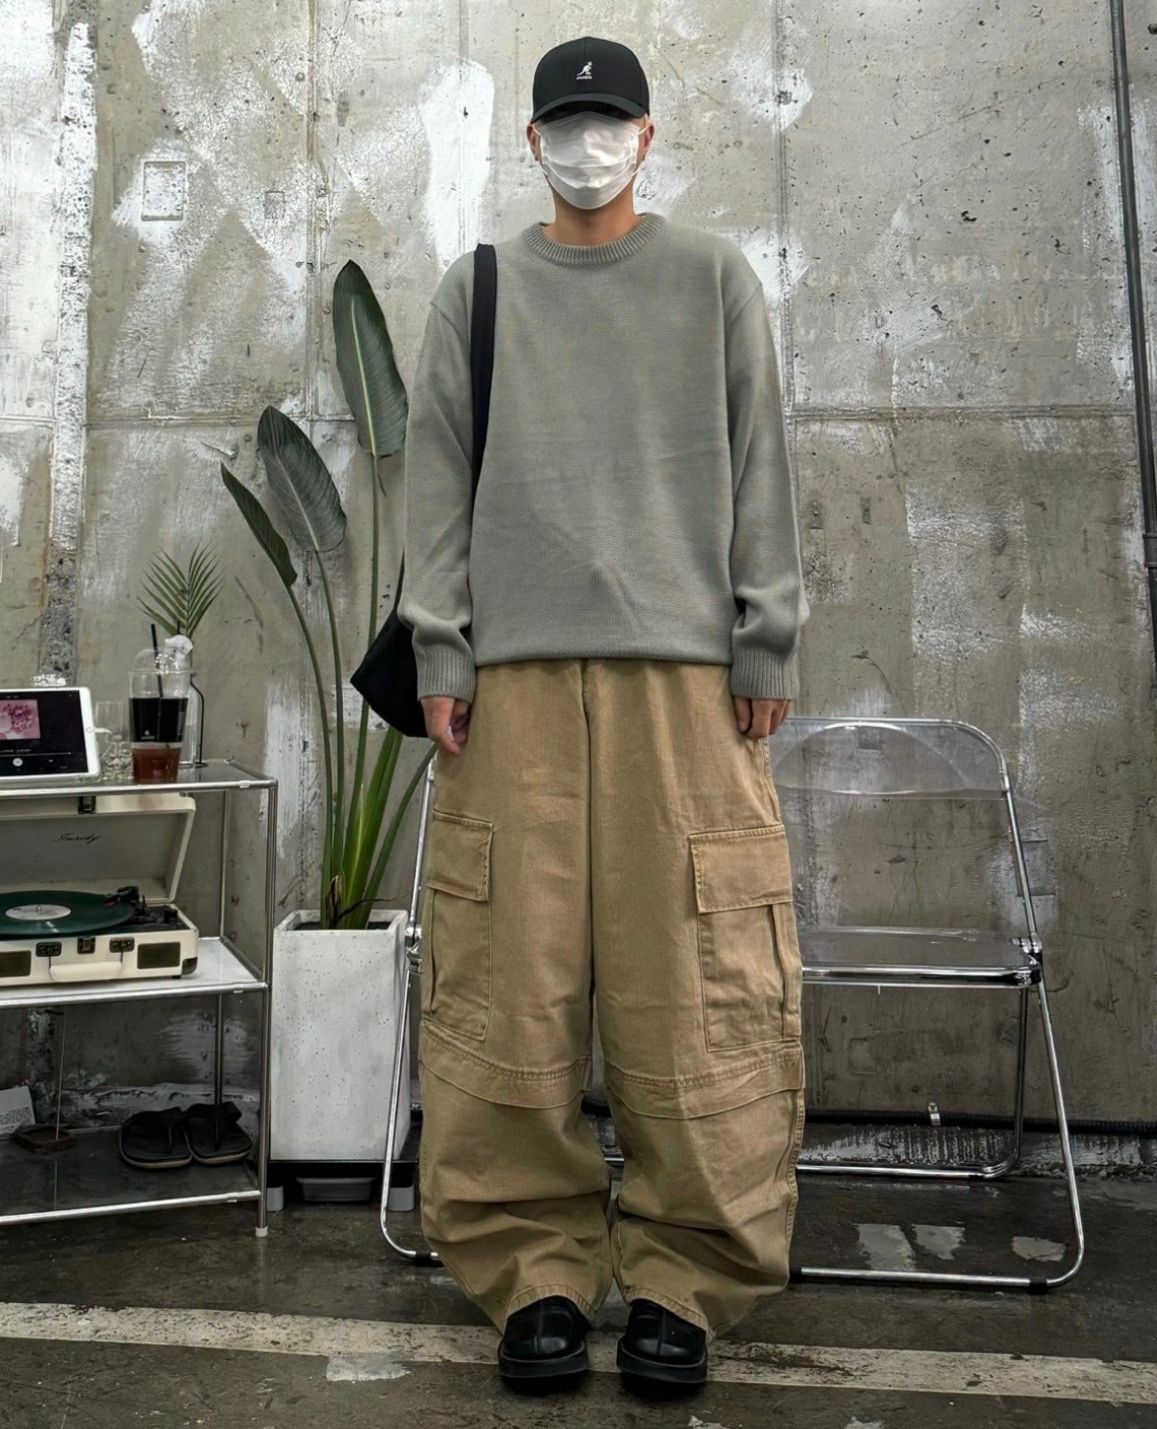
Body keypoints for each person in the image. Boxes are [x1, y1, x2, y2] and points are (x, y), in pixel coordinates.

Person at [398, 33, 811, 1399]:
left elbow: (760, 457)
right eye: (566, 123)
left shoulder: (710, 278)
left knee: (697, 982)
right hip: (511, 685)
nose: (588, 143)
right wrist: (443, 650)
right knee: (504, 983)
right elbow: (437, 480)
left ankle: (687, 1276)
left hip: (684, 686)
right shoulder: (480, 289)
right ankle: (532, 1268)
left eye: (609, 120)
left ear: (646, 133)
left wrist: (764, 635)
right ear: (532, 141)